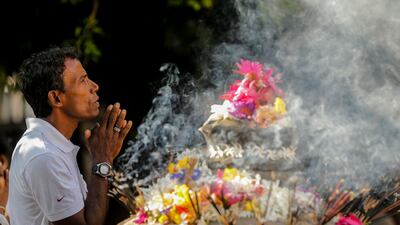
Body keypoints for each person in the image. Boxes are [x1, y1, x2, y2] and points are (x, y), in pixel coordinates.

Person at [7, 46, 133, 225]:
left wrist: (103, 158)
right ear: (56, 98)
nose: (95, 86)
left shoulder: (52, 144)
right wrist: (102, 161)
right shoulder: (43, 155)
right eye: (83, 80)